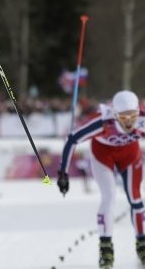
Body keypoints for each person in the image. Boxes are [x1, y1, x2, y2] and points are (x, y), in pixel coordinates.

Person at [58, 90, 145, 269]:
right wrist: (63, 173)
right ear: (115, 114)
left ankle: (142, 244)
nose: (129, 121)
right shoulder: (102, 122)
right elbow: (72, 139)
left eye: (133, 116)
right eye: (123, 116)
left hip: (130, 156)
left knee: (136, 199)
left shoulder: (143, 121)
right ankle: (106, 249)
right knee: (109, 197)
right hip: (103, 157)